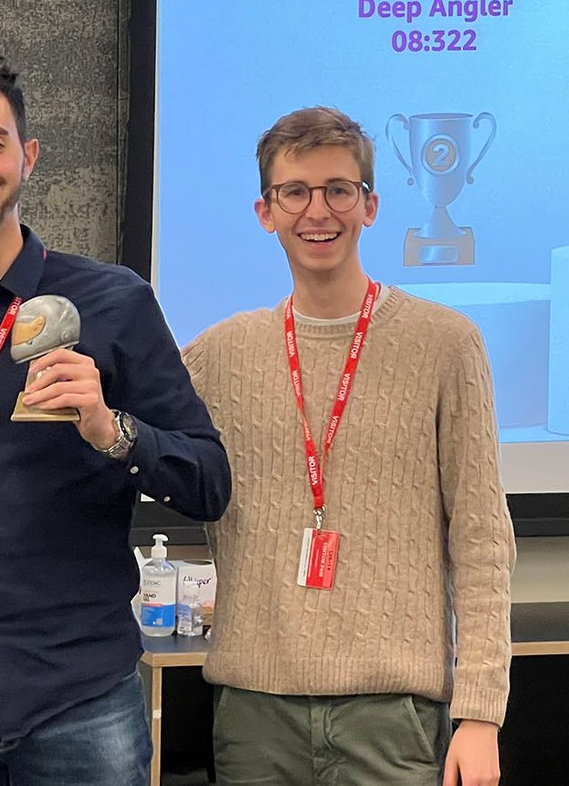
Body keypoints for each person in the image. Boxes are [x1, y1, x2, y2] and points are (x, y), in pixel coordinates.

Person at [0, 51, 232, 786]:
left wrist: (110, 428)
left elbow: (208, 482)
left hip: (79, 701)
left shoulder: (116, 303)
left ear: (26, 156)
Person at [180, 106, 513, 786]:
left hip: (392, 717)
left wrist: (480, 715)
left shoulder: (445, 344)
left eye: (338, 189)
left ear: (370, 205)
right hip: (255, 712)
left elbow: (481, 539)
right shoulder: (220, 354)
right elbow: (111, 395)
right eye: (294, 192)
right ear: (265, 211)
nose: (317, 211)